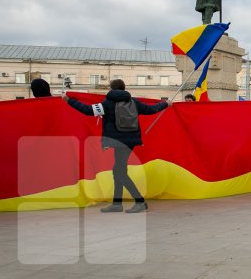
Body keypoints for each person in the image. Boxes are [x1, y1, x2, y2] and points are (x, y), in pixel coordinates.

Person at [62, 79, 171, 213]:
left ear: (112, 89)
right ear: (124, 88)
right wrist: (165, 104)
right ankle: (117, 203)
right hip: (131, 141)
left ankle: (140, 201)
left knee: (119, 172)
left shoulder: (107, 103)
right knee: (118, 170)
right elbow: (151, 109)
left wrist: (69, 100)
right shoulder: (134, 102)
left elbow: (88, 110)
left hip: (117, 141)